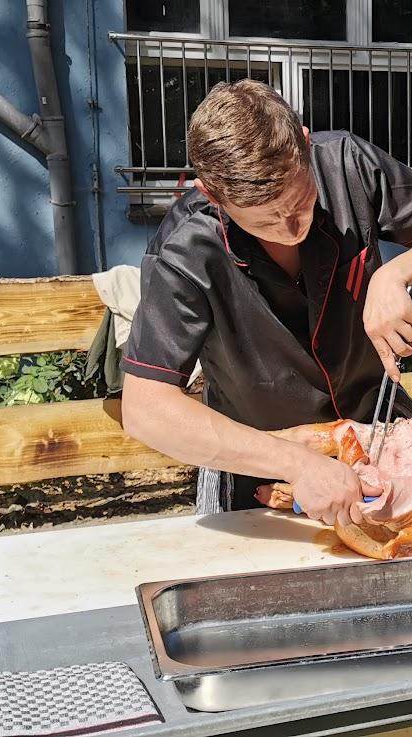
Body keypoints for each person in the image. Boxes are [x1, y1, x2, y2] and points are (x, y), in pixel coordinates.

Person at [120, 79, 412, 528]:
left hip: (385, 439)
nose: (290, 226)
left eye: (300, 202)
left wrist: (398, 271)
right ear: (214, 196)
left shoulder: (350, 164)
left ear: (305, 143)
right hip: (262, 468)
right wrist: (297, 464)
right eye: (264, 220)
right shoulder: (184, 249)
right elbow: (145, 409)